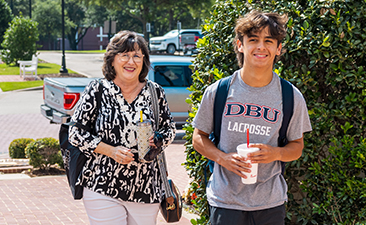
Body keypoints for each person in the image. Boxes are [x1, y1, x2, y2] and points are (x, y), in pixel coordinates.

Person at [192, 10, 312, 225]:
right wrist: (222, 158)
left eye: (269, 40)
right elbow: (198, 137)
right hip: (225, 201)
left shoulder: (291, 96)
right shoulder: (218, 91)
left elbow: (297, 147)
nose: (260, 47)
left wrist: (275, 153)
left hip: (270, 203)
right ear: (240, 45)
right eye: (253, 40)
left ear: (278, 49)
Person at [68, 30, 176, 225]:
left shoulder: (154, 91)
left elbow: (169, 129)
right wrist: (111, 151)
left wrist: (158, 140)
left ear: (144, 60)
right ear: (112, 59)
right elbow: (75, 133)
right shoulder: (97, 90)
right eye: (124, 55)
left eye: (136, 56)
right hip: (102, 185)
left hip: (146, 188)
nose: (131, 61)